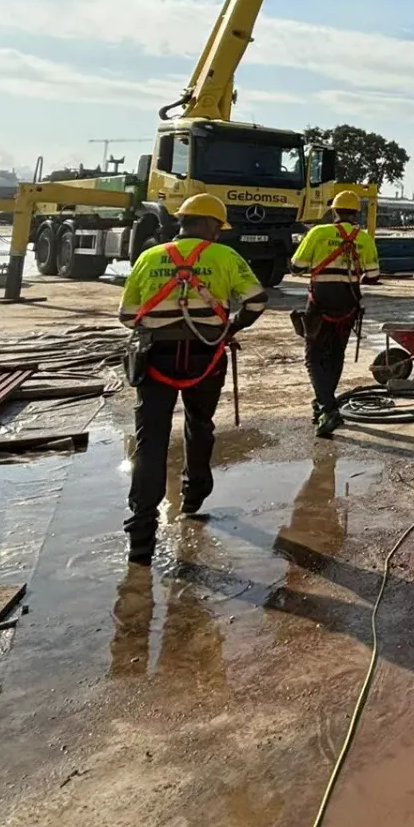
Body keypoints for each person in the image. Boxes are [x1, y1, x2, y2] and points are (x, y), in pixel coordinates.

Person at [117, 193, 267, 562]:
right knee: (199, 424)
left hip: (155, 358)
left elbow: (128, 315)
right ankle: (193, 495)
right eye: (217, 226)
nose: (218, 232)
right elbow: (256, 301)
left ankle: (141, 531)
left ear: (182, 221)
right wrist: (228, 328)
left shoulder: (150, 257)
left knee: (150, 440)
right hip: (206, 356)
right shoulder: (225, 256)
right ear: (210, 224)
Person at [290, 189, 381, 439]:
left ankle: (328, 408)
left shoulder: (318, 233)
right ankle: (323, 404)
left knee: (314, 356)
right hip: (348, 306)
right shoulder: (364, 239)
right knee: (335, 355)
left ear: (334, 213)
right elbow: (373, 275)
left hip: (320, 305)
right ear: (356, 214)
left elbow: (296, 267)